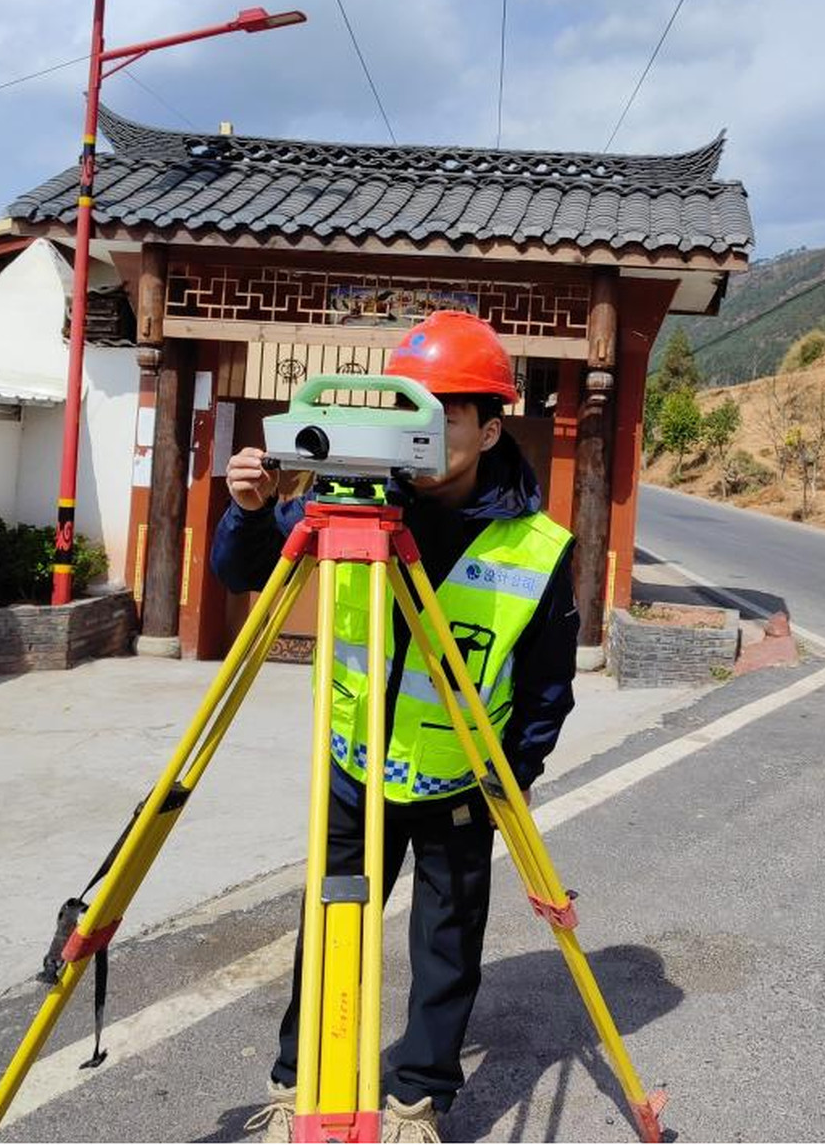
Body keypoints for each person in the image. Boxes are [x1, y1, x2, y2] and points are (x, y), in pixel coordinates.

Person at [216, 312, 580, 1145]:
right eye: (413, 407)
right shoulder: (350, 499)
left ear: (490, 429)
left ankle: (418, 1099)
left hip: (460, 781)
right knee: (330, 927)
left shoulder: (535, 545)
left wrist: (512, 781)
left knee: (447, 947)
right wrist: (248, 508)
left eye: (447, 413)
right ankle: (302, 1082)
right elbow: (241, 572)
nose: (425, 427)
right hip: (354, 767)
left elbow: (547, 688)